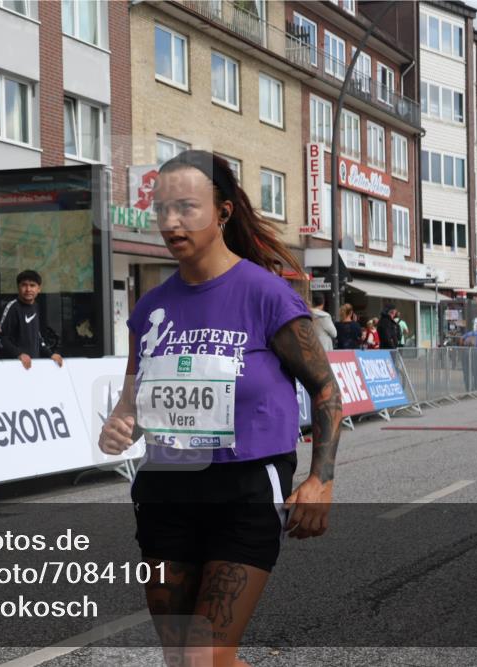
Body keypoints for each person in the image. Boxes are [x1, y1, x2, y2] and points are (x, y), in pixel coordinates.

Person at [97, 151, 342, 667]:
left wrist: (320, 479)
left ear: (224, 212)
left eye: (186, 207)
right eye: (161, 209)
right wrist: (120, 425)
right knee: (182, 659)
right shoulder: (150, 308)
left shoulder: (267, 296)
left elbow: (325, 390)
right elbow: (133, 400)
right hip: (166, 489)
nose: (170, 222)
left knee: (202, 658)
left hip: (245, 488)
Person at [0, 269, 63, 369]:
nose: (28, 289)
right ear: (18, 287)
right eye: (24, 285)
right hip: (12, 367)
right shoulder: (12, 307)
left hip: (32, 366)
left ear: (39, 289)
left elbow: (37, 337)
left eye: (32, 285)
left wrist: (50, 354)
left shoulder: (36, 307)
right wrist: (18, 354)